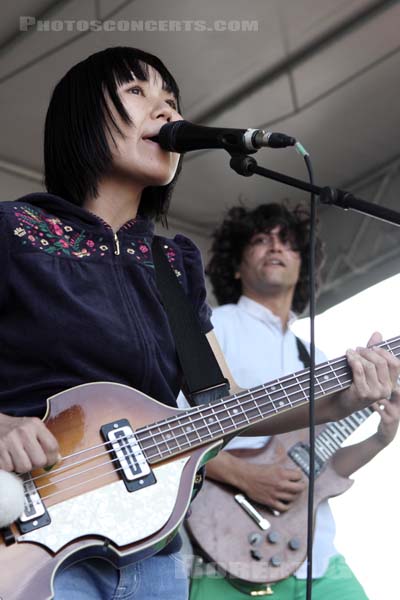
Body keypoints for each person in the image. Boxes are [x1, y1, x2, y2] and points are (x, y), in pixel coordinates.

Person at [0, 47, 398, 600]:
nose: (166, 112)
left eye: (172, 101)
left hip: (151, 557)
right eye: (139, 92)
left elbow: (228, 404)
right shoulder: (14, 231)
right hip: (27, 540)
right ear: (80, 117)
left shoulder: (172, 262)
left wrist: (344, 397)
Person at [188, 203, 400, 600]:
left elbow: (322, 464)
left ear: (302, 268)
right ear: (235, 266)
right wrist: (244, 475)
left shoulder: (315, 356)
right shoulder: (216, 328)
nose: (275, 247)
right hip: (226, 547)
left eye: (287, 242)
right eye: (260, 240)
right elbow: (171, 428)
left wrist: (381, 438)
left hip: (315, 554)